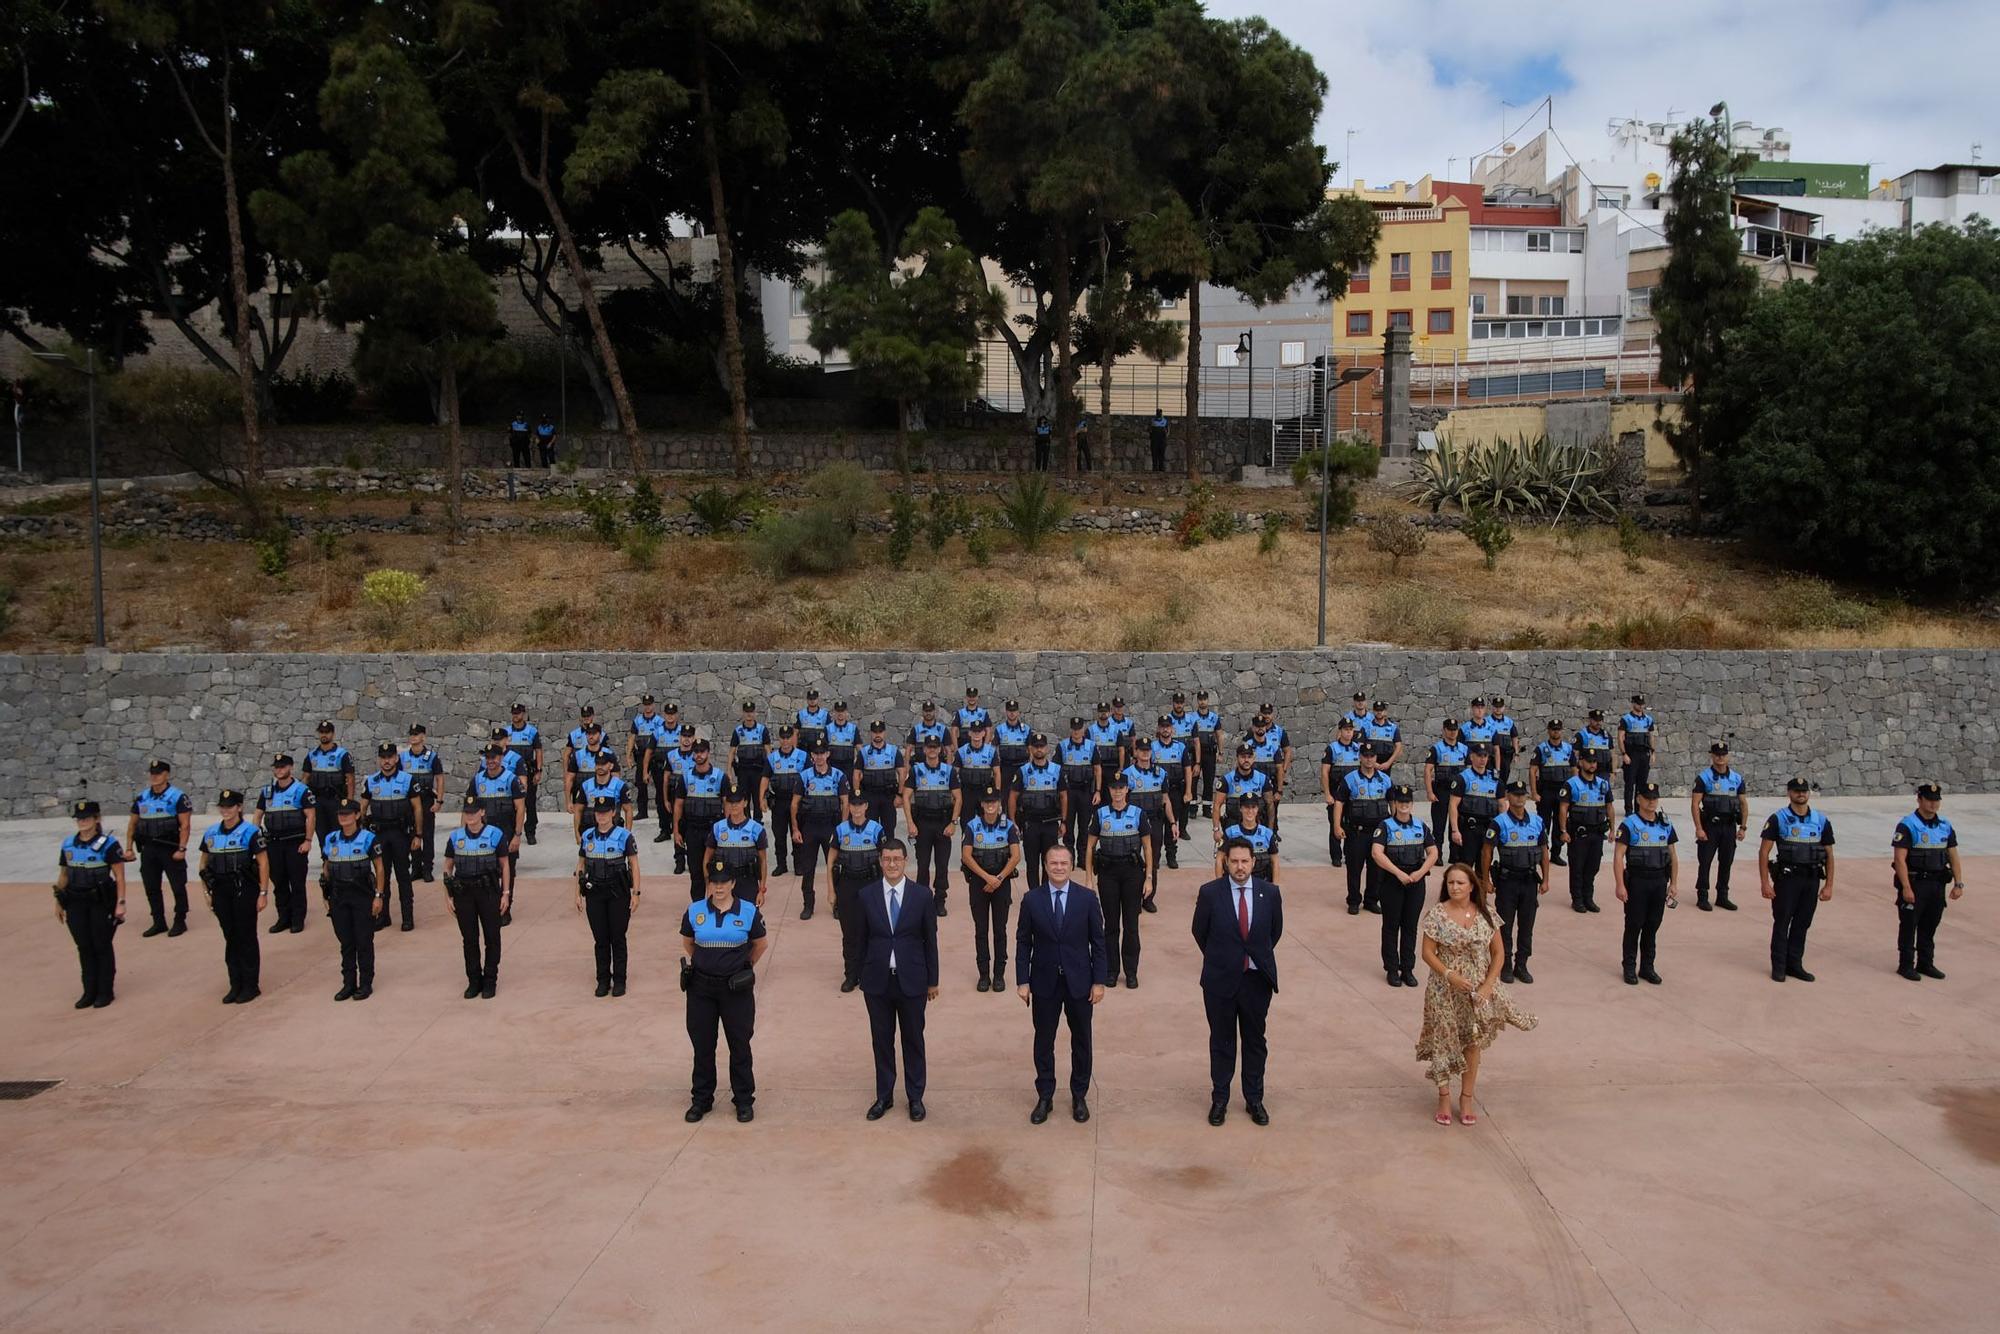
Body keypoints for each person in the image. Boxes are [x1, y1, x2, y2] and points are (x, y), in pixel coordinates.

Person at [1417, 864, 1537, 1126]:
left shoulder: (1487, 914)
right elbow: (1427, 953)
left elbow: (1499, 953)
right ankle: (1444, 1097)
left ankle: (1467, 1097)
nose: (1455, 887)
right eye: (1451, 883)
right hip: (1444, 989)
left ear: (1472, 886)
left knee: (1473, 1042)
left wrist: (1487, 986)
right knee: (1444, 1040)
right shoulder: (1437, 914)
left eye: (1460, 883)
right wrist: (1450, 975)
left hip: (1477, 989)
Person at [1193, 840, 1283, 1126]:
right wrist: (1224, 957)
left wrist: (1251, 956)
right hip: (1221, 980)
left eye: (1245, 861)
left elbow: (1274, 932)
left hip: (1256, 980)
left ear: (1253, 863)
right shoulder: (1210, 893)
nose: (1240, 867)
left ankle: (1254, 1099)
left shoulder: (1269, 893)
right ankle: (1220, 1099)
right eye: (1234, 862)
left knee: (1255, 1041)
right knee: (1222, 1040)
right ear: (1225, 862)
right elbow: (1200, 932)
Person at [1015, 845, 1107, 1123]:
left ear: (1071, 865)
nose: (1058, 867)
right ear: (1045, 865)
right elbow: (1023, 942)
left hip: (1080, 982)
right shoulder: (1032, 899)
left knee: (1082, 1040)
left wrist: (1099, 981)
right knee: (1044, 1041)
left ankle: (1079, 1095)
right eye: (1053, 863)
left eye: (1063, 863)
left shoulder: (1088, 899)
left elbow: (1099, 943)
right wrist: (1023, 980)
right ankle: (1045, 1095)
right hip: (1044, 983)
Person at [855, 839, 939, 1122]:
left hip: (913, 980)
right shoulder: (867, 895)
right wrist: (859, 976)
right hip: (877, 981)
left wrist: (933, 980)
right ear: (880, 861)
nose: (892, 864)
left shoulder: (922, 896)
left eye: (897, 859)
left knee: (913, 1039)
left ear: (906, 861)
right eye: (887, 859)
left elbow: (930, 941)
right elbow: (860, 939)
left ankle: (915, 1097)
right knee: (882, 1040)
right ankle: (884, 1095)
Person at [681, 861, 768, 1123]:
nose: (719, 887)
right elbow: (688, 943)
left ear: (733, 883)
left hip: (735, 990)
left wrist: (743, 967)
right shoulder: (695, 911)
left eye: (724, 882)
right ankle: (702, 1100)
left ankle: (743, 1100)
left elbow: (760, 945)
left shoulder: (749, 911)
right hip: (701, 989)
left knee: (739, 1045)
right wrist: (709, 965)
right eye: (714, 882)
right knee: (703, 1045)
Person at [1757, 776, 1835, 983]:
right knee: (1782, 923)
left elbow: (1829, 854)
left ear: (1808, 793)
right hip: (1787, 880)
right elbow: (1764, 852)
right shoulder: (1778, 819)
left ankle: (1795, 965)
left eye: (1804, 791)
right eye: (1796, 791)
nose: (1800, 794)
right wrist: (1765, 882)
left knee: (1802, 923)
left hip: (1811, 879)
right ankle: (1779, 967)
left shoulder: (1821, 820)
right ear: (1789, 793)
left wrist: (1829, 885)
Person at [197, 790, 269, 1005]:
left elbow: (263, 863)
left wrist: (263, 893)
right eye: (223, 806)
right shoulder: (211, 833)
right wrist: (206, 893)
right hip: (220, 890)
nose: (226, 810)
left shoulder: (250, 832)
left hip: (243, 889)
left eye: (230, 806)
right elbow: (203, 863)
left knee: (246, 935)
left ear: (239, 807)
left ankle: (250, 985)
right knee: (230, 937)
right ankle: (235, 983)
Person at [55, 800, 127, 1009]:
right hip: (75, 902)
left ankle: (105, 991)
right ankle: (89, 991)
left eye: (87, 818)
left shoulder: (109, 844)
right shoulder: (68, 844)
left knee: (101, 945)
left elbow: (119, 877)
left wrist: (121, 904)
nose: (82, 822)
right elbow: (64, 875)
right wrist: (58, 901)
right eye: (79, 819)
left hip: (100, 902)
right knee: (84, 946)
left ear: (97, 819)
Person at [1892, 782, 1963, 981]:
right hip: (1916, 883)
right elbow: (1899, 859)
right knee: (1909, 925)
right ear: (1919, 799)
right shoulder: (1908, 824)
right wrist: (1906, 887)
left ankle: (1926, 963)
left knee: (1930, 924)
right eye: (1929, 800)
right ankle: (1906, 965)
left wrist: (1959, 883)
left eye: (1936, 800)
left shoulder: (1945, 825)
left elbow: (1953, 855)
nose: (1933, 804)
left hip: (1937, 884)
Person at [1482, 781, 1550, 984]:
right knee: (1505, 925)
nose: (1519, 798)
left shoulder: (1537, 821)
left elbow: (1544, 851)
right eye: (1515, 794)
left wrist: (1546, 879)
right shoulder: (1499, 822)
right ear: (1508, 797)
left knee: (1527, 925)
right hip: (1507, 881)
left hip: (1529, 880)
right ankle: (1506, 965)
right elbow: (1487, 851)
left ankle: (1522, 964)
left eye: (1523, 794)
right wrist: (1486, 879)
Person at [442, 795, 509, 999]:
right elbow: (447, 868)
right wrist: (448, 897)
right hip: (464, 894)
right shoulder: (455, 838)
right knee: (469, 939)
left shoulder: (495, 835)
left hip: (488, 892)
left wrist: (506, 893)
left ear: (482, 812)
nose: (470, 816)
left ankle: (490, 980)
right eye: (467, 812)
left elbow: (505, 865)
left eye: (474, 812)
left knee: (492, 937)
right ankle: (474, 980)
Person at [1371, 785, 1438, 988]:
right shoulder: (1385, 826)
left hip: (1415, 882)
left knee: (1410, 927)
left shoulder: (1420, 826)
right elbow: (1377, 853)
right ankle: (1392, 969)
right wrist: (1398, 873)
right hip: (1393, 881)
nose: (1403, 806)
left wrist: (1419, 872)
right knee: (1391, 927)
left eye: (1407, 802)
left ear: (1412, 804)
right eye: (1400, 802)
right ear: (1395, 804)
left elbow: (1433, 852)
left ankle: (1407, 969)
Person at [1088, 772, 1150, 989]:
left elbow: (1148, 848)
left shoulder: (1138, 814)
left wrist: (1148, 877)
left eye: (1121, 787)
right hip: (1108, 873)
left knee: (1131, 925)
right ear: (1109, 790)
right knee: (1111, 926)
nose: (1117, 791)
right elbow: (1089, 847)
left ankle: (1131, 972)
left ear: (1127, 790)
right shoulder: (1100, 814)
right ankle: (1111, 971)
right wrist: (1089, 878)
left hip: (1132, 873)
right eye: (1113, 788)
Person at [1613, 782, 1678, 985]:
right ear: (1639, 799)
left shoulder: (1665, 824)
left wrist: (1673, 883)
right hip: (1637, 881)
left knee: (1652, 926)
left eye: (1654, 799)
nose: (1651, 802)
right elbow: (1618, 856)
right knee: (1634, 925)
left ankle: (1647, 967)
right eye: (1647, 798)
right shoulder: (1629, 824)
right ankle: (1629, 967)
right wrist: (1620, 885)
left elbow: (1673, 856)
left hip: (1659, 881)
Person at [320, 799, 385, 1001]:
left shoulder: (368, 838)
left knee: (364, 940)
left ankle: (365, 983)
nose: (343, 818)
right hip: (339, 896)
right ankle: (348, 983)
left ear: (357, 815)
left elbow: (380, 868)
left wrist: (378, 896)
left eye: (347, 814)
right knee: (346, 942)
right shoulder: (331, 839)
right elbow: (327, 867)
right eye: (341, 814)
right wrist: (325, 895)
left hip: (362, 895)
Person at [577, 794, 642, 997]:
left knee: (618, 938)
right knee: (601, 939)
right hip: (595, 894)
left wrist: (636, 893)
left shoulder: (624, 836)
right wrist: (577, 894)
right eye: (598, 813)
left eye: (606, 812)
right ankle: (603, 980)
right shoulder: (587, 836)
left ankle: (620, 980)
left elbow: (634, 864)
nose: (602, 816)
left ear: (613, 813)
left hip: (618, 894)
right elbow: (580, 865)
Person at [961, 791, 1022, 992]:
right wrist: (988, 878)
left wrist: (998, 879)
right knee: (981, 930)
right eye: (987, 802)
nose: (990, 805)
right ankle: (984, 975)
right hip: (979, 884)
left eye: (994, 801)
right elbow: (966, 857)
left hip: (1001, 883)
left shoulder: (1009, 827)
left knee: (999, 931)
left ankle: (999, 975)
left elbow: (1015, 857)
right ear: (982, 803)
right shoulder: (972, 826)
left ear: (999, 804)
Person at [127, 758, 193, 938]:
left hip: (169, 846)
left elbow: (185, 825)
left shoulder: (178, 796)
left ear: (166, 775)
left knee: (178, 885)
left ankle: (180, 919)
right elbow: (132, 824)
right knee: (151, 886)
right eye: (152, 773)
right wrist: (129, 848)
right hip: (148, 848)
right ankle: (158, 921)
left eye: (159, 774)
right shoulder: (142, 797)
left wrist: (182, 848)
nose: (154, 777)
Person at [361, 741, 420, 931]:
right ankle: (383, 916)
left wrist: (418, 835)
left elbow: (417, 808)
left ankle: (407, 917)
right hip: (379, 835)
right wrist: (361, 832)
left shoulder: (407, 779)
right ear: (379, 759)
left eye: (390, 757)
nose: (386, 761)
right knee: (382, 877)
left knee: (403, 876)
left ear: (396, 758)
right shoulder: (371, 781)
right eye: (383, 758)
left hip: (400, 834)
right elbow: (362, 807)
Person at [464, 745, 527, 923]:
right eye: (488, 758)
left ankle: (505, 909)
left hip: (506, 832)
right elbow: (467, 810)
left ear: (501, 758)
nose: (490, 761)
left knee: (507, 871)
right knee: (486, 870)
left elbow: (520, 808)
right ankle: (490, 907)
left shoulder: (511, 779)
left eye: (494, 757)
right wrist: (465, 832)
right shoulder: (477, 780)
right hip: (484, 833)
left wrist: (517, 834)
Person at [256, 753, 316, 934]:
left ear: (290, 767)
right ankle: (283, 917)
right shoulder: (267, 792)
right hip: (273, 843)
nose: (279, 770)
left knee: (297, 882)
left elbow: (311, 815)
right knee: (279, 883)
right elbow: (258, 815)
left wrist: (308, 841)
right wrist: (256, 838)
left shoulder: (301, 790)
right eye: (276, 767)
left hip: (295, 843)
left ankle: (298, 919)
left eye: (282, 767)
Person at [832, 792, 885, 992]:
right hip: (847, 885)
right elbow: (831, 860)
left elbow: (885, 858)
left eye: (859, 804)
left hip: (871, 884)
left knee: (872, 930)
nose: (856, 809)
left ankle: (869, 974)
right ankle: (851, 975)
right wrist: (831, 890)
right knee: (849, 932)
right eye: (853, 805)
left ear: (866, 806)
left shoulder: (876, 829)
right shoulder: (840, 829)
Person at [903, 735, 959, 915]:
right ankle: (923, 900)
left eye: (935, 747)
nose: (932, 750)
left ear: (940, 750)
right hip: (923, 824)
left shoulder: (948, 771)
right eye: (929, 747)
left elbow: (958, 798)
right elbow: (905, 796)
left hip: (943, 824)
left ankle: (940, 900)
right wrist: (910, 823)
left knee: (942, 865)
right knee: (923, 865)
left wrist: (953, 822)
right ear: (924, 750)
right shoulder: (916, 771)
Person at [792, 742, 848, 921]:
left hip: (831, 828)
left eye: (822, 753)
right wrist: (795, 828)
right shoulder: (804, 776)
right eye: (816, 753)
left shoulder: (838, 776)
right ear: (811, 756)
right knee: (808, 868)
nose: (819, 757)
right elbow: (794, 804)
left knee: (835, 868)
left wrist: (843, 829)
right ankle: (808, 905)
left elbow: (845, 803)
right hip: (809, 827)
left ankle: (838, 905)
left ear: (828, 754)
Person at [1334, 745, 1392, 915]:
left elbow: (1392, 802)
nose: (1369, 759)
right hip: (1356, 832)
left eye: (1372, 755)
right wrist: (1337, 826)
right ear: (1360, 757)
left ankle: (1371, 900)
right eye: (1365, 755)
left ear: (1376, 758)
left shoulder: (1385, 779)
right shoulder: (1350, 779)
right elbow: (1339, 803)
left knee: (1376, 869)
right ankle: (1353, 900)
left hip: (1378, 833)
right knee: (1354, 868)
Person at [1690, 741, 1747, 911]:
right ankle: (1702, 896)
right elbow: (1695, 804)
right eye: (1717, 755)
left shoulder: (1736, 779)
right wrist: (1699, 828)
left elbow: (1743, 804)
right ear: (1712, 756)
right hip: (1710, 826)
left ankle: (1722, 896)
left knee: (1726, 861)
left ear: (1727, 756)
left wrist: (1743, 827)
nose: (1720, 758)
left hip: (1729, 826)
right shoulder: (1704, 777)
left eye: (1723, 755)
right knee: (1705, 861)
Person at [1121, 737, 1175, 907]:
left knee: (1154, 859)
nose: (1145, 753)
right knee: (1133, 858)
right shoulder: (1127, 774)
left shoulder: (1161, 773)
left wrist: (1173, 822)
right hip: (1134, 822)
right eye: (1142, 750)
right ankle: (1134, 897)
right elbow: (1122, 800)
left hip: (1155, 821)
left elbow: (1166, 799)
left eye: (1148, 750)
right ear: (1135, 752)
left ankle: (1148, 898)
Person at [1559, 750, 1613, 914]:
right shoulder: (1571, 784)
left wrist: (1612, 828)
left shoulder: (1603, 784)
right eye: (1589, 761)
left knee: (1593, 866)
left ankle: (1588, 898)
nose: (1592, 765)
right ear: (1581, 762)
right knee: (1577, 867)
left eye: (1594, 762)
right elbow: (1563, 808)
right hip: (1578, 833)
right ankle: (1577, 899)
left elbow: (1609, 806)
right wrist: (1563, 830)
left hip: (1597, 833)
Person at [674, 741, 728, 900]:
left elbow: (727, 806)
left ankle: (717, 903)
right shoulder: (686, 777)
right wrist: (676, 831)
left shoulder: (720, 777)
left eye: (702, 751)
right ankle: (698, 906)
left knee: (716, 869)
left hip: (714, 830)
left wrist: (727, 830)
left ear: (708, 753)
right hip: (693, 830)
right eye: (696, 751)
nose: (699, 755)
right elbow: (678, 805)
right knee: (696, 871)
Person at [705, 784, 769, 909]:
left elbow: (763, 861)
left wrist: (761, 890)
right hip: (723, 881)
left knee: (748, 920)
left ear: (745, 803)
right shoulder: (718, 828)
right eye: (730, 802)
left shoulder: (756, 829)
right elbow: (707, 859)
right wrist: (709, 885)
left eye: (737, 802)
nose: (733, 805)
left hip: (748, 882)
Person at [399, 724, 443, 882]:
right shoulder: (403, 757)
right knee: (411, 834)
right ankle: (416, 868)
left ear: (423, 737)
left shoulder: (431, 756)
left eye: (416, 734)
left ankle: (427, 869)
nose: (413, 737)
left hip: (426, 801)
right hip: (409, 802)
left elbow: (439, 778)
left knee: (427, 836)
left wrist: (439, 801)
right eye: (411, 734)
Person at [1528, 720, 1574, 867]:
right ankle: (1543, 852)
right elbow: (1533, 770)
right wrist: (1534, 793)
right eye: (1553, 729)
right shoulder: (1541, 749)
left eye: (1558, 729)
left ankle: (1556, 854)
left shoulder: (1568, 748)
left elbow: (1574, 769)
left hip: (1563, 791)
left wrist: (1574, 791)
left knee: (1561, 823)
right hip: (1546, 790)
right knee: (1543, 823)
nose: (1556, 732)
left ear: (1562, 731)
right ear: (1548, 730)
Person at [1152, 714, 1193, 875]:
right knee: (1156, 826)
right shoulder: (1152, 747)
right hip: (1156, 792)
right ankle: (1155, 857)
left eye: (1168, 727)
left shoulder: (1180, 747)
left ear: (1172, 729)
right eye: (1162, 726)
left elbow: (1187, 770)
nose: (1165, 729)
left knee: (1172, 824)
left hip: (1176, 791)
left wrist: (1189, 791)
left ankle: (1171, 856)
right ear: (1158, 729)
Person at [1448, 743, 1501, 867]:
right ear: (1471, 757)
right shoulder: (1462, 778)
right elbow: (1453, 805)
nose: (1482, 759)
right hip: (1468, 829)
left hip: (1488, 828)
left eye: (1485, 756)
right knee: (1465, 866)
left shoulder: (1495, 779)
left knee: (1484, 865)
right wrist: (1455, 830)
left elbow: (1502, 805)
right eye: (1479, 756)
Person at [1421, 719, 1467, 859]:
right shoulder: (1437, 748)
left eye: (1454, 729)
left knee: (1456, 823)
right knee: (1439, 824)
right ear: (1444, 730)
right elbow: (1427, 770)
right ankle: (1437, 855)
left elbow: (1469, 772)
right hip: (1441, 791)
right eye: (1449, 729)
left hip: (1458, 793)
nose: (1452, 732)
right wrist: (1429, 792)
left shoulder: (1464, 749)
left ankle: (1455, 854)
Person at [502, 703, 544, 845]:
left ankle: (530, 831)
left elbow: (538, 751)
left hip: (528, 771)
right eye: (513, 713)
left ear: (524, 714)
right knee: (511, 803)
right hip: (510, 773)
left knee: (529, 803)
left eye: (518, 713)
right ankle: (512, 830)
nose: (516, 716)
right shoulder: (506, 732)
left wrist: (539, 771)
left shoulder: (532, 731)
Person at [856, 721, 905, 838]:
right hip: (869, 796)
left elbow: (902, 773)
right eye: (875, 732)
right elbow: (856, 774)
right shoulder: (864, 752)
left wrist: (900, 795)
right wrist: (858, 795)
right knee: (869, 829)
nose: (878, 734)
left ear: (884, 733)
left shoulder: (893, 751)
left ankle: (888, 855)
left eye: (880, 732)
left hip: (888, 797)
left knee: (889, 829)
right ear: (871, 734)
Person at [1056, 717, 1098, 855]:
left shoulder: (1091, 746)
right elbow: (1056, 769)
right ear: (1070, 729)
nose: (1076, 732)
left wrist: (1097, 791)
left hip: (1085, 792)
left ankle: (1082, 856)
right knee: (1068, 824)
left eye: (1079, 729)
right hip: (1068, 792)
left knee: (1084, 825)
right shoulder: (1062, 746)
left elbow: (1097, 769)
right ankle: (1069, 856)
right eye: (1074, 729)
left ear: (1083, 729)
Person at [954, 720, 1002, 836]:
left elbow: (997, 773)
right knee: (966, 824)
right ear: (969, 733)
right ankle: (965, 852)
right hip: (967, 792)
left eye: (979, 732)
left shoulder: (991, 751)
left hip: (985, 791)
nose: (976, 735)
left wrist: (997, 794)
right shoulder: (962, 751)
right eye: (974, 732)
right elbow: (954, 774)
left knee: (987, 822)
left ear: (984, 733)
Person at [628, 695, 668, 824]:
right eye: (645, 704)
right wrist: (628, 755)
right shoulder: (638, 721)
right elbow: (632, 738)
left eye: (650, 704)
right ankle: (642, 811)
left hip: (656, 756)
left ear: (653, 705)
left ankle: (661, 810)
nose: (648, 707)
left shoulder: (660, 721)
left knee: (659, 784)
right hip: (641, 756)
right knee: (641, 783)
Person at [730, 701, 771, 822]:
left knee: (758, 795)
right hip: (743, 770)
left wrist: (770, 770)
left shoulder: (762, 730)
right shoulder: (737, 731)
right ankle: (746, 819)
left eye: (751, 712)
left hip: (758, 770)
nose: (749, 714)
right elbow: (732, 752)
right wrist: (728, 771)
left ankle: (758, 820)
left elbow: (768, 751)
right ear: (743, 713)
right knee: (744, 796)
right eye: (747, 712)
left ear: (755, 713)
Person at [1618, 694, 1656, 814]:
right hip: (1631, 753)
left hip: (1644, 754)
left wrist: (1653, 752)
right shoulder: (1626, 719)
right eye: (1638, 704)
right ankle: (1629, 810)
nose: (1640, 706)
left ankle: (1638, 809)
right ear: (1633, 704)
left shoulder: (1648, 719)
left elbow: (1651, 736)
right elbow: (1620, 737)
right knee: (1629, 784)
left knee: (1641, 784)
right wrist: (1624, 754)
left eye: (1642, 704)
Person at [1087, 702, 1126, 811]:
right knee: (1096, 800)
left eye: (1105, 711)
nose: (1103, 714)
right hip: (1096, 769)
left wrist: (1121, 768)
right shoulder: (1090, 730)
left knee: (1110, 798)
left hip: (1112, 769)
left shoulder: (1116, 730)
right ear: (1097, 713)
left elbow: (1121, 750)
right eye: (1101, 712)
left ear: (1109, 713)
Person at [1190, 691, 1221, 820]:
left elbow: (1219, 735)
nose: (1202, 702)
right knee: (1193, 780)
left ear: (1208, 701)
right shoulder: (1191, 717)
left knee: (1209, 781)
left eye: (1204, 699)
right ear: (1197, 701)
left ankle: (1207, 808)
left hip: (1209, 753)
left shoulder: (1214, 717)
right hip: (1194, 753)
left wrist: (1221, 752)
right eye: (1200, 699)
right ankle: (1192, 808)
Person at [994, 699, 1033, 801]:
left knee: (1022, 795)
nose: (1012, 713)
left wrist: (1031, 767)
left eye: (1014, 711)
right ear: (1006, 712)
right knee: (1004, 796)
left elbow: (1031, 749)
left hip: (1022, 767)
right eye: (1010, 711)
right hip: (1005, 768)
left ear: (1018, 712)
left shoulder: (1026, 729)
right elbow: (993, 749)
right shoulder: (1000, 729)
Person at [1574, 708, 1616, 789]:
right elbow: (1575, 755)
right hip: (1587, 772)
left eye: (1600, 720)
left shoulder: (1607, 736)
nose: (1598, 722)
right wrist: (1576, 771)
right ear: (1590, 720)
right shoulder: (1581, 735)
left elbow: (1613, 755)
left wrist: (1613, 772)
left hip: (1604, 772)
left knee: (1603, 795)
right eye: (1596, 720)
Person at [1360, 699, 1403, 775]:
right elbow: (1360, 746)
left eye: (1381, 710)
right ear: (1373, 711)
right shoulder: (1366, 727)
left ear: (1385, 711)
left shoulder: (1393, 728)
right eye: (1376, 710)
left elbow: (1398, 747)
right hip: (1369, 764)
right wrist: (1373, 763)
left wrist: (1389, 762)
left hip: (1386, 764)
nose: (1379, 712)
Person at [824, 699, 861, 782]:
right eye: (838, 711)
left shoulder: (853, 728)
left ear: (846, 712)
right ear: (834, 712)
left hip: (848, 767)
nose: (840, 713)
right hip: (832, 766)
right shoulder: (828, 728)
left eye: (842, 711)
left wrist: (860, 766)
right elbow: (823, 749)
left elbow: (859, 748)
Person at [1488, 697, 1519, 788]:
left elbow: (1514, 737)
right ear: (1492, 707)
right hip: (1491, 755)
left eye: (1500, 707)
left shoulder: (1509, 722)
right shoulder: (1487, 721)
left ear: (1504, 707)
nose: (1498, 709)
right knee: (1490, 776)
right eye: (1496, 706)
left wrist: (1516, 754)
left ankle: (1500, 796)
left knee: (1503, 776)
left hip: (1505, 756)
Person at [953, 686, 991, 751]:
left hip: (980, 749)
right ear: (966, 697)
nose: (972, 698)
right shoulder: (960, 713)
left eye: (973, 696)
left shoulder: (983, 713)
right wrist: (956, 749)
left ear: (977, 697)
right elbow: (953, 731)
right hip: (963, 749)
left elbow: (988, 731)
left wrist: (985, 748)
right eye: (970, 696)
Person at [794, 688, 831, 754]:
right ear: (807, 700)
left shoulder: (825, 714)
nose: (812, 701)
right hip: (804, 749)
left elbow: (830, 733)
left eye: (814, 699)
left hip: (820, 750)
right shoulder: (801, 714)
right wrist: (794, 749)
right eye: (810, 699)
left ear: (818, 700)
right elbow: (795, 732)